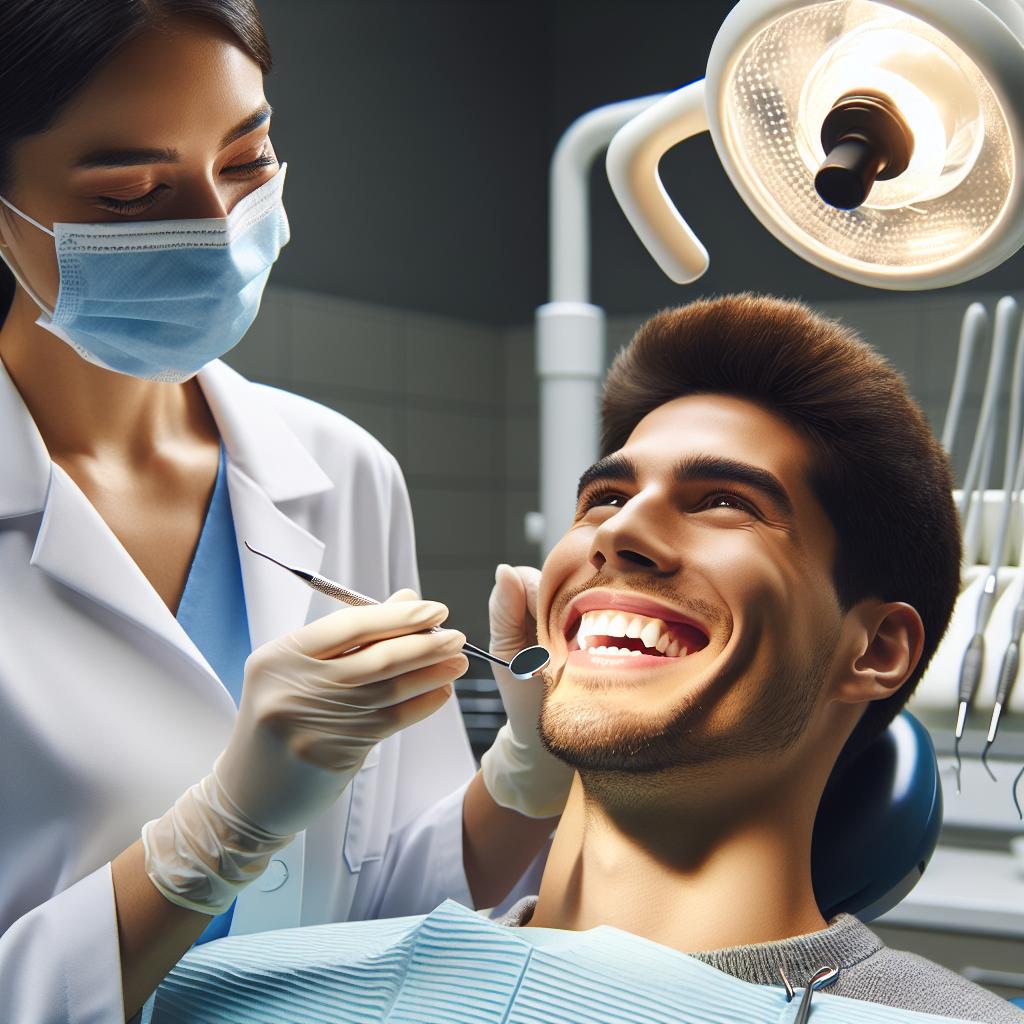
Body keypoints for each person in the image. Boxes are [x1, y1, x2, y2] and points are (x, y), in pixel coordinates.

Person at [150, 295, 1023, 1023]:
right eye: (605, 496)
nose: (620, 532)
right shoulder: (240, 997)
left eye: (724, 502)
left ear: (876, 649)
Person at [0, 3, 570, 1022]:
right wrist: (213, 837)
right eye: (131, 194)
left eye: (247, 158)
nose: (218, 228)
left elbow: (386, 905)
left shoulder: (339, 470)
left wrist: (520, 783)